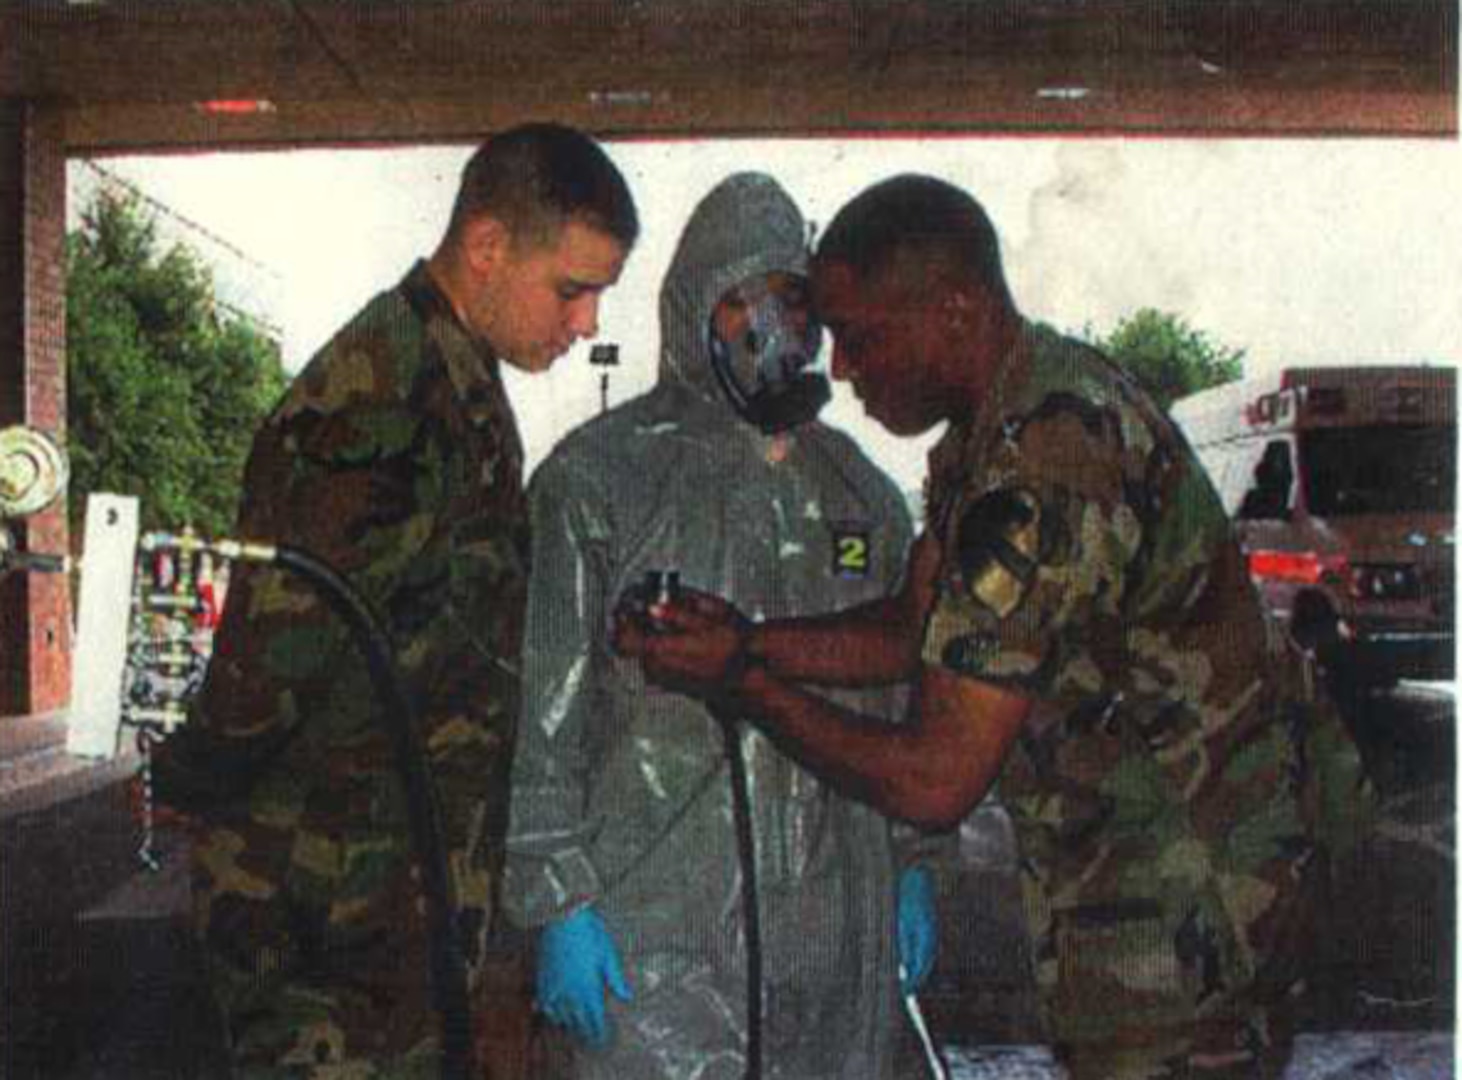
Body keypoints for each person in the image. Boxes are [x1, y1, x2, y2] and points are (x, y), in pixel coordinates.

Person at [616, 174, 1371, 1079]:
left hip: (1191, 906)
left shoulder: (1044, 469)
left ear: (958, 311)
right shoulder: (1000, 425)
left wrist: (741, 684)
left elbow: (936, 780)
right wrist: (746, 640)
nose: (843, 368)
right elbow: (913, 625)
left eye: (861, 336)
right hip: (1141, 880)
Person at [153, 122, 638, 1077]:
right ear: (489, 247)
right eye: (571, 289)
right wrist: (193, 779)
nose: (583, 324)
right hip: (326, 913)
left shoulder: (454, 377)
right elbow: (271, 661)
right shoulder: (377, 400)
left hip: (394, 901)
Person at [502, 172, 945, 1079]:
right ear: (696, 309)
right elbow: (544, 720)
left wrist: (912, 857)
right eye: (747, 301)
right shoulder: (599, 484)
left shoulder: (858, 491)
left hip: (834, 928)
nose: (775, 328)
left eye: (795, 300)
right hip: (654, 925)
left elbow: (906, 692)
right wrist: (556, 903)